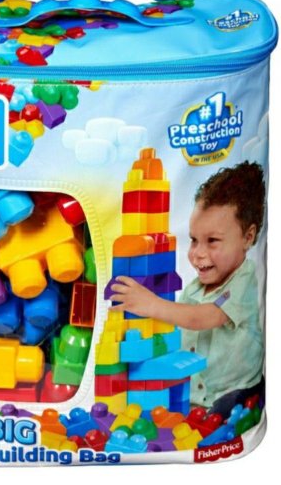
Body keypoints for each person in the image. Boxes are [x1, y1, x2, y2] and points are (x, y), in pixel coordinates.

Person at [109, 161, 266, 416]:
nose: (198, 253)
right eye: (194, 240)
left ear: (247, 237)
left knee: (223, 414)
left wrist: (150, 303)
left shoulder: (245, 281)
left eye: (212, 241)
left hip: (233, 393)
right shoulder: (194, 289)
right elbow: (177, 324)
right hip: (193, 398)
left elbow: (202, 318)